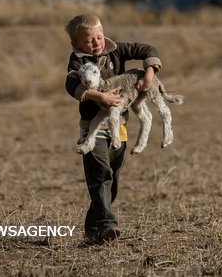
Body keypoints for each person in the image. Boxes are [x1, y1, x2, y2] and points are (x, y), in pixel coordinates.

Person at [64, 13, 162, 246]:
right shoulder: (77, 61)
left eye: (99, 37)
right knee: (100, 174)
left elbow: (149, 50)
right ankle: (108, 224)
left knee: (112, 181)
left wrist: (149, 74)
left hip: (119, 127)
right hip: (93, 129)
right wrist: (99, 96)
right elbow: (70, 84)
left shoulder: (115, 51)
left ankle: (91, 232)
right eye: (89, 40)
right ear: (76, 44)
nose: (96, 43)